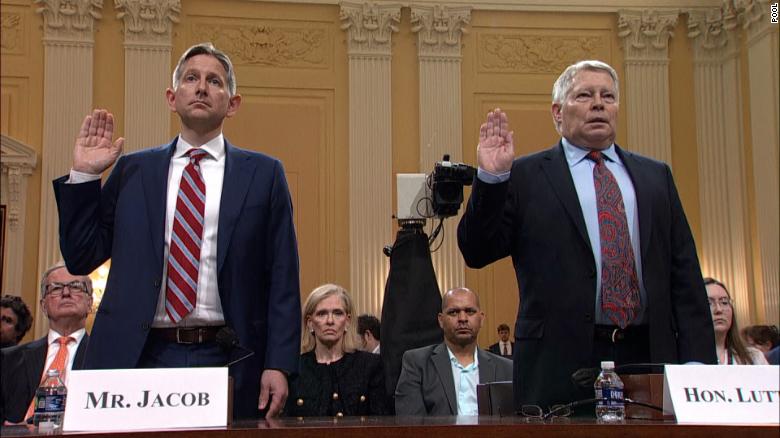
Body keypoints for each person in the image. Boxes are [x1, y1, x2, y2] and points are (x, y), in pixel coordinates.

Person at [51, 43, 301, 419]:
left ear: (232, 103)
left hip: (229, 355)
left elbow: (283, 276)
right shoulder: (133, 170)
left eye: (214, 81)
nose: (201, 87)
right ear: (172, 97)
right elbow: (81, 255)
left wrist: (279, 363)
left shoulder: (264, 175)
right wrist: (86, 175)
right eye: (191, 78)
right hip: (138, 355)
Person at [457, 60, 717, 411]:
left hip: (649, 355)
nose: (599, 103)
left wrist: (698, 365)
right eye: (584, 95)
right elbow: (477, 250)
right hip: (558, 364)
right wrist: (491, 179)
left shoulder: (655, 177)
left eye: (607, 96)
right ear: (557, 112)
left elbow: (684, 274)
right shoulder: (526, 176)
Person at [394, 287, 513, 416]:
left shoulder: (506, 368)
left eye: (470, 311)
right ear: (441, 320)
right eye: (454, 312)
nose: (462, 318)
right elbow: (411, 424)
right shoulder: (417, 363)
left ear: (481, 319)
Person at [1, 262, 92, 423]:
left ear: (90, 303)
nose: (66, 292)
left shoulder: (108, 358)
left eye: (76, 286)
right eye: (56, 288)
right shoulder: (8, 360)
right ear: (43, 306)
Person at [284, 284, 389, 417]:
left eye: (337, 313)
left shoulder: (370, 366)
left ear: (347, 322)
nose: (330, 320)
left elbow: (380, 423)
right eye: (322, 314)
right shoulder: (295, 369)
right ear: (310, 323)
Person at [705, 278, 767, 365]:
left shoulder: (754, 357)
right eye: (709, 303)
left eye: (724, 302)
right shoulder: (684, 358)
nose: (718, 309)